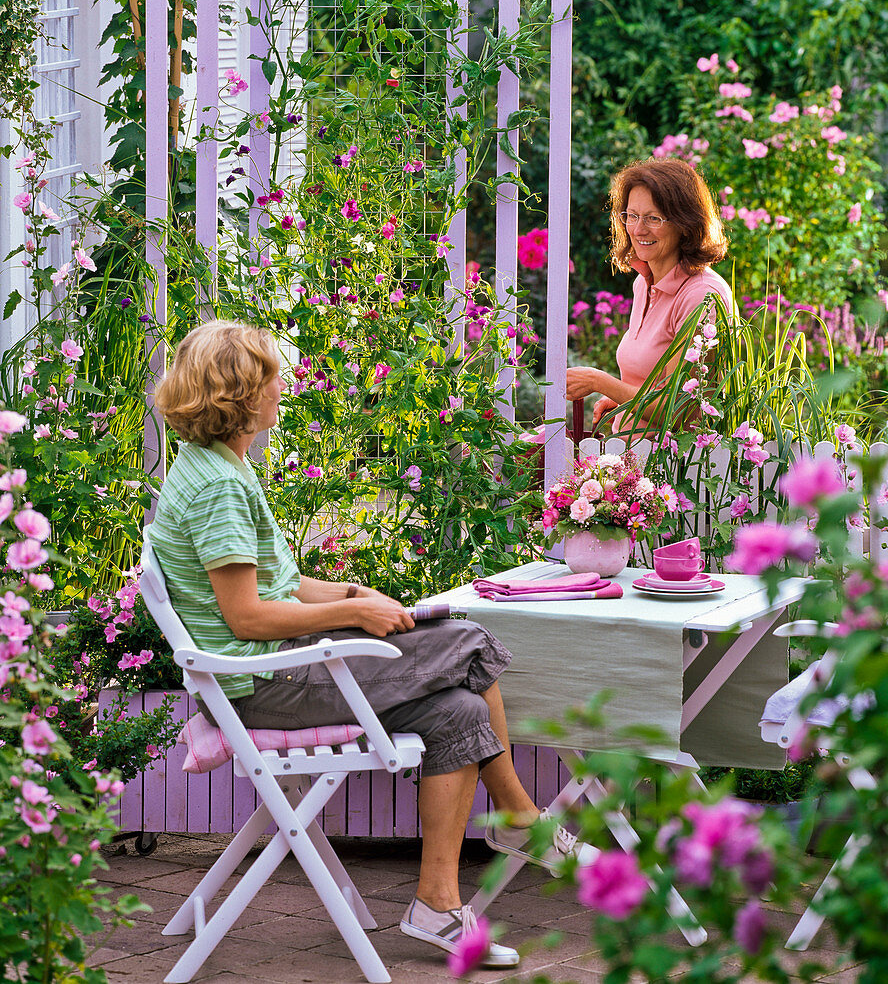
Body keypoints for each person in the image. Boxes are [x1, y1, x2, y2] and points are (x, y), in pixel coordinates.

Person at [149, 320, 595, 968]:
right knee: (469, 642)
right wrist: (356, 614)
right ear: (243, 393)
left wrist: (347, 593)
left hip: (273, 673)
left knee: (462, 714)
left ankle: (437, 907)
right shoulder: (218, 486)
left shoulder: (217, 464)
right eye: (273, 375)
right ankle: (522, 818)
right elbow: (245, 617)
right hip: (265, 683)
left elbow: (275, 582)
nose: (284, 386)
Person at [566, 157, 733, 433]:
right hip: (631, 458)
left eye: (654, 218)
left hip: (670, 469)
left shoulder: (701, 296)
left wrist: (600, 382)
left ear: (685, 223)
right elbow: (651, 384)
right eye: (632, 216)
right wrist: (621, 399)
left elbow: (681, 411)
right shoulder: (645, 283)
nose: (639, 229)